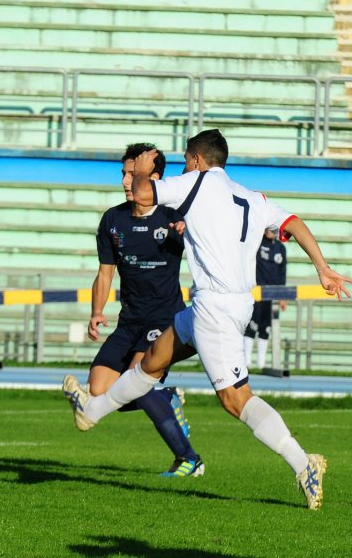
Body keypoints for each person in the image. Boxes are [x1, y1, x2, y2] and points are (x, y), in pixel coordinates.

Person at [63, 129, 352, 510]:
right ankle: (91, 410)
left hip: (215, 310)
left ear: (197, 160)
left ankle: (304, 464)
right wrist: (322, 267)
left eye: (186, 161)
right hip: (223, 305)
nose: (184, 168)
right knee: (152, 360)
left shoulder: (196, 183)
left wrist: (144, 170)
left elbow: (144, 194)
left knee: (236, 400)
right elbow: (294, 222)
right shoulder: (250, 196)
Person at [88, 142, 202, 477]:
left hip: (164, 319)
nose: (126, 181)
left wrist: (188, 230)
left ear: (154, 180)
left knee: (135, 380)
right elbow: (105, 272)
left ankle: (189, 459)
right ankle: (167, 397)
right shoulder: (113, 219)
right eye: (123, 174)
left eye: (132, 174)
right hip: (128, 321)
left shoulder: (174, 216)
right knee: (98, 391)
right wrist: (96, 312)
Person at [243, 228, 287, 369]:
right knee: (251, 325)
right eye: (269, 228)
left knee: (266, 327)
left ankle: (261, 363)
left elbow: (282, 273)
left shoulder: (280, 248)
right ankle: (247, 361)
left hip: (272, 293)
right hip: (256, 291)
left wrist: (282, 295)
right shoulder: (257, 243)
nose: (271, 231)